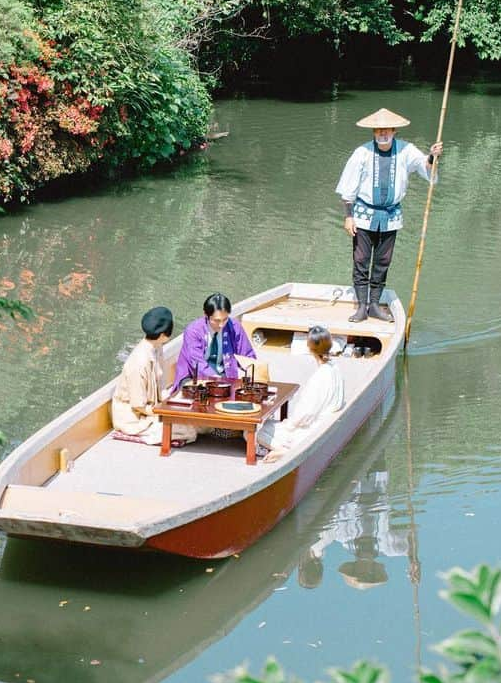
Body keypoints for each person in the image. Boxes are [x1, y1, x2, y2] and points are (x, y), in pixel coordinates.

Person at [336, 107, 443, 323]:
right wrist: (348, 216)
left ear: (394, 131)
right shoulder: (362, 153)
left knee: (383, 262)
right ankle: (362, 306)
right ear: (374, 132)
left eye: (387, 130)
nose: (383, 134)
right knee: (361, 260)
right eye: (379, 131)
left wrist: (432, 156)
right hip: (364, 216)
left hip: (391, 217)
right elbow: (348, 187)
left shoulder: (405, 150)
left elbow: (424, 165)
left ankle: (375, 305)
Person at [112, 306, 196, 447]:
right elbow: (138, 405)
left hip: (152, 408)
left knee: (190, 417)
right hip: (135, 418)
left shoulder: (156, 348)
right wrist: (165, 412)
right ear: (164, 335)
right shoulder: (139, 362)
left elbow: (160, 387)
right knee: (189, 430)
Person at [258, 325, 344, 462]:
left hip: (311, 430)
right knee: (271, 424)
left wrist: (289, 425)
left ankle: (286, 451)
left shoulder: (320, 377)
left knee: (255, 431)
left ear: (310, 348)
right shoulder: (335, 369)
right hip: (321, 423)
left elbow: (306, 413)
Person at [171, 293, 256, 393]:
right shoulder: (193, 331)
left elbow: (247, 355)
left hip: (227, 377)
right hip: (194, 377)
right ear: (206, 315)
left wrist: (249, 371)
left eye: (225, 319)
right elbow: (197, 363)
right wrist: (217, 381)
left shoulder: (234, 326)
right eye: (216, 320)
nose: (221, 325)